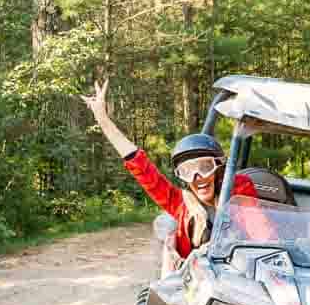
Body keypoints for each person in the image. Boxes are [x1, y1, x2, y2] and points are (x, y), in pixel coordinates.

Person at [81, 79, 258, 259]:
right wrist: (103, 120)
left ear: (219, 168)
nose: (197, 177)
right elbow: (142, 168)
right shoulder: (181, 204)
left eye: (205, 167)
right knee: (165, 232)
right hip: (199, 275)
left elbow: (261, 233)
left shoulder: (239, 190)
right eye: (187, 171)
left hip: (242, 269)